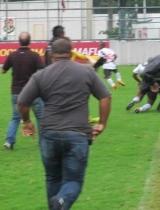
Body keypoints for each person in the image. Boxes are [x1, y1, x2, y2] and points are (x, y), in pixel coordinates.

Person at [17, 39, 111, 209]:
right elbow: (105, 96)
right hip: (78, 134)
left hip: (49, 133)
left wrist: (27, 122)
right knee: (73, 180)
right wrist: (102, 123)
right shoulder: (87, 72)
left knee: (52, 177)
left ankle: (57, 203)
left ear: (51, 54)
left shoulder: (40, 75)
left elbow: (22, 102)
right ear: (72, 52)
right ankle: (61, 201)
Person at [2, 32, 44, 150]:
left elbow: (3, 70)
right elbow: (43, 70)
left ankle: (9, 141)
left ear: (19, 41)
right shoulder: (34, 56)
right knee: (40, 116)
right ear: (29, 42)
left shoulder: (12, 55)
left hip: (16, 92)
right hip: (33, 92)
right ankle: (43, 142)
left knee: (15, 117)